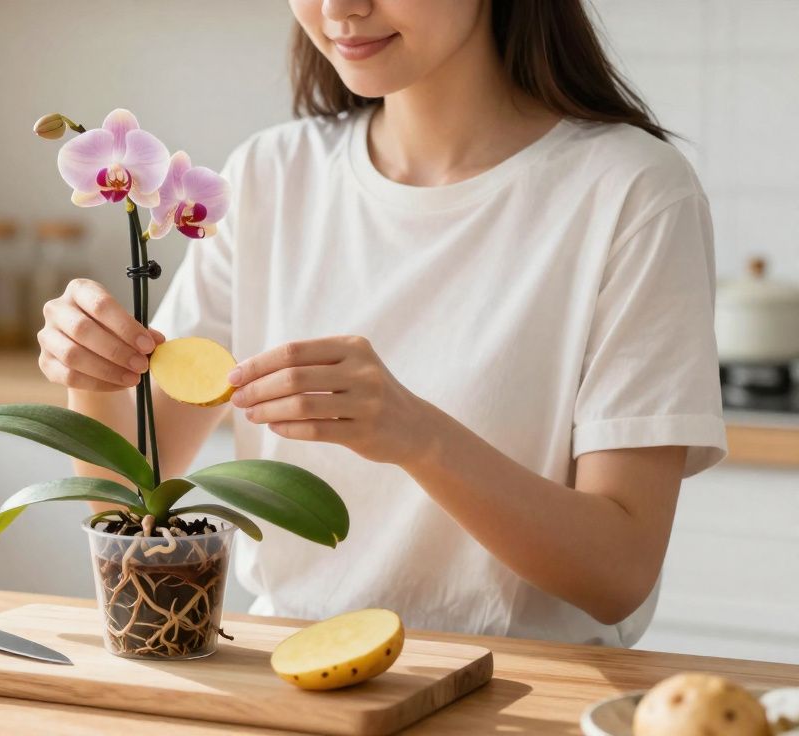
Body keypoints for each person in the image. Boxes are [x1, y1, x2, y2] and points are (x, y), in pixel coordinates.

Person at [36, 0, 724, 647]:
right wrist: (91, 372)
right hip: (289, 674)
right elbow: (129, 497)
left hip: (522, 691)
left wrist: (417, 435)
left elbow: (619, 575)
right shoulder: (269, 176)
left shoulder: (633, 192)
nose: (340, 7)